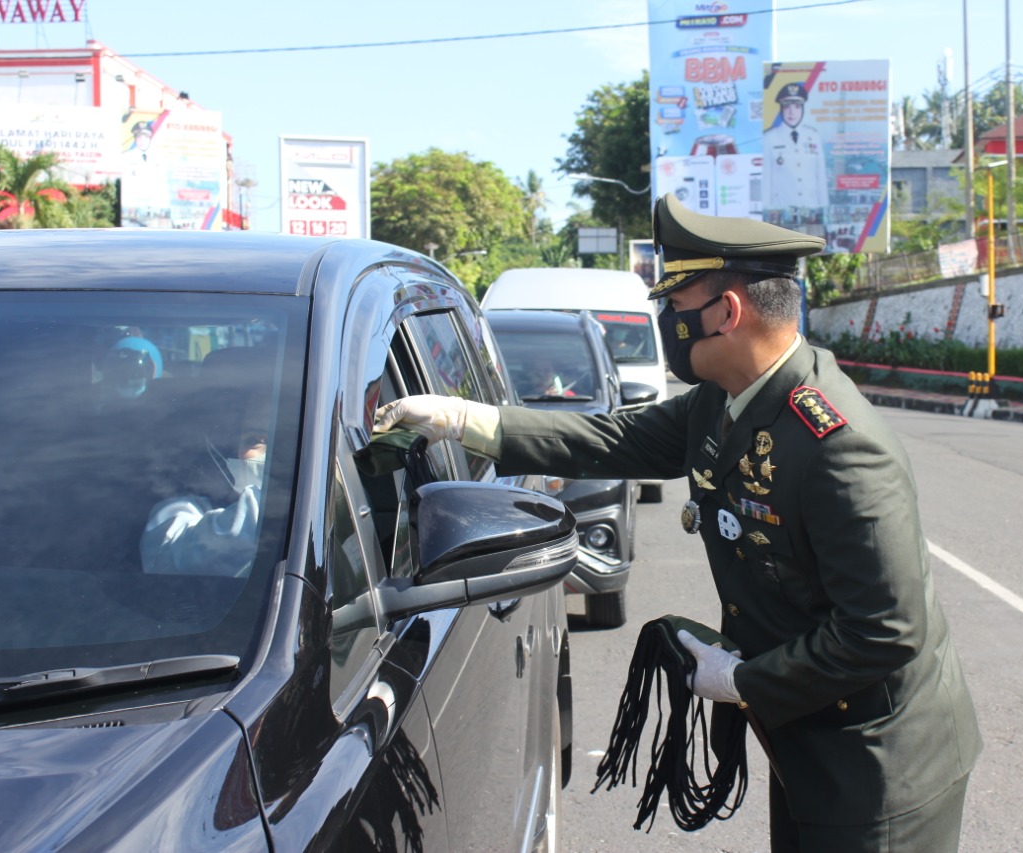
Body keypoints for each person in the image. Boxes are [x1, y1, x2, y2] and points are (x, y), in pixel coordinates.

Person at [375, 193, 982, 852]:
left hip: (880, 765)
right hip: (810, 734)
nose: (664, 320)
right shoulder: (722, 402)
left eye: (675, 305)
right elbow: (608, 439)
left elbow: (885, 631)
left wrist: (743, 681)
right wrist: (467, 421)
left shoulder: (837, 446)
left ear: (728, 311)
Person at [139, 392, 269, 577]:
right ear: (228, 451)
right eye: (255, 440)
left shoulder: (317, 501)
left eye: (287, 441)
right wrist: (273, 505)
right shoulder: (183, 509)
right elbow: (167, 554)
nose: (273, 454)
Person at [763, 82, 829, 239]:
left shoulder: (813, 136)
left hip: (811, 213)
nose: (792, 112)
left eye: (797, 107)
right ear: (781, 109)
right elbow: (767, 182)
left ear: (803, 108)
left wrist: (824, 214)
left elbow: (821, 179)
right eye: (787, 107)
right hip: (783, 215)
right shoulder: (769, 138)